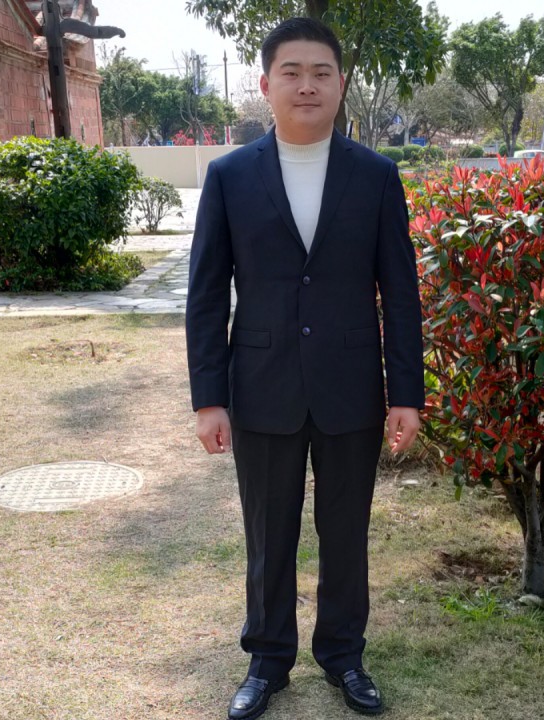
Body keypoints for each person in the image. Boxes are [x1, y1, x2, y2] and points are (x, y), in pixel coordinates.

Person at [186, 17, 424, 719]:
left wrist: (405, 393)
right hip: (261, 386)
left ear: (341, 84)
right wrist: (208, 398)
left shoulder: (375, 176)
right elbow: (206, 295)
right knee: (269, 534)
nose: (307, 85)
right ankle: (267, 661)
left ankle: (344, 656)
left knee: (346, 532)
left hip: (352, 386)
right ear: (266, 85)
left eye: (321, 72)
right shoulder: (229, 176)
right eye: (291, 72)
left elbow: (400, 293)